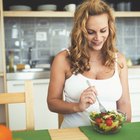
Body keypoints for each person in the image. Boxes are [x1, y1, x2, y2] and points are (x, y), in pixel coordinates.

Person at [47, 0, 131, 128]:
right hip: (72, 133)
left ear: (110, 29)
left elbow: (124, 103)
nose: (98, 38)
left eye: (103, 31)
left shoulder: (119, 60)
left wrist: (123, 130)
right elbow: (52, 103)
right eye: (91, 32)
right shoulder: (63, 59)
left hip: (109, 134)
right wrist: (77, 106)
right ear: (80, 31)